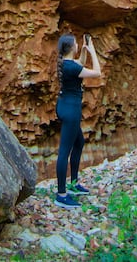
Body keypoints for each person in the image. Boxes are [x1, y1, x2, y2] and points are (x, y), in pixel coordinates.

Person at [54, 32, 102, 208]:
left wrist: (83, 50)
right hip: (71, 111)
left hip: (64, 106)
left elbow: (79, 64)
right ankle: (61, 194)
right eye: (76, 44)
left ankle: (73, 184)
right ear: (70, 48)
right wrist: (92, 50)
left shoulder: (67, 64)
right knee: (64, 151)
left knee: (79, 143)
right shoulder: (71, 67)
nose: (77, 45)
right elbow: (97, 73)